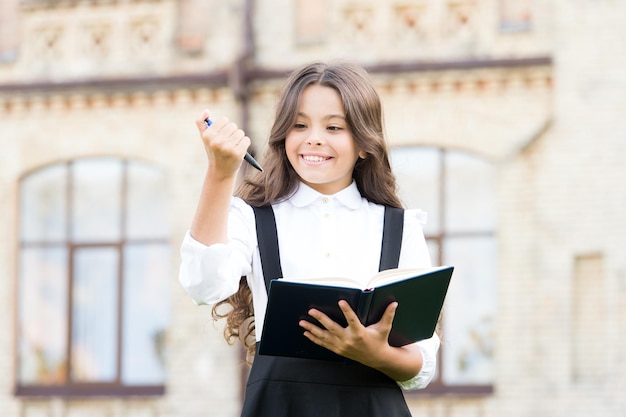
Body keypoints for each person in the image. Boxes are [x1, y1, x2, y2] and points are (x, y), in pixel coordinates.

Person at [179, 61, 440, 417]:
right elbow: (203, 285)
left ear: (364, 143)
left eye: (334, 127)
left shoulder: (400, 225)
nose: (314, 137)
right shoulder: (253, 217)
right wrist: (220, 174)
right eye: (299, 125)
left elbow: (422, 364)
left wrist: (375, 353)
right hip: (279, 405)